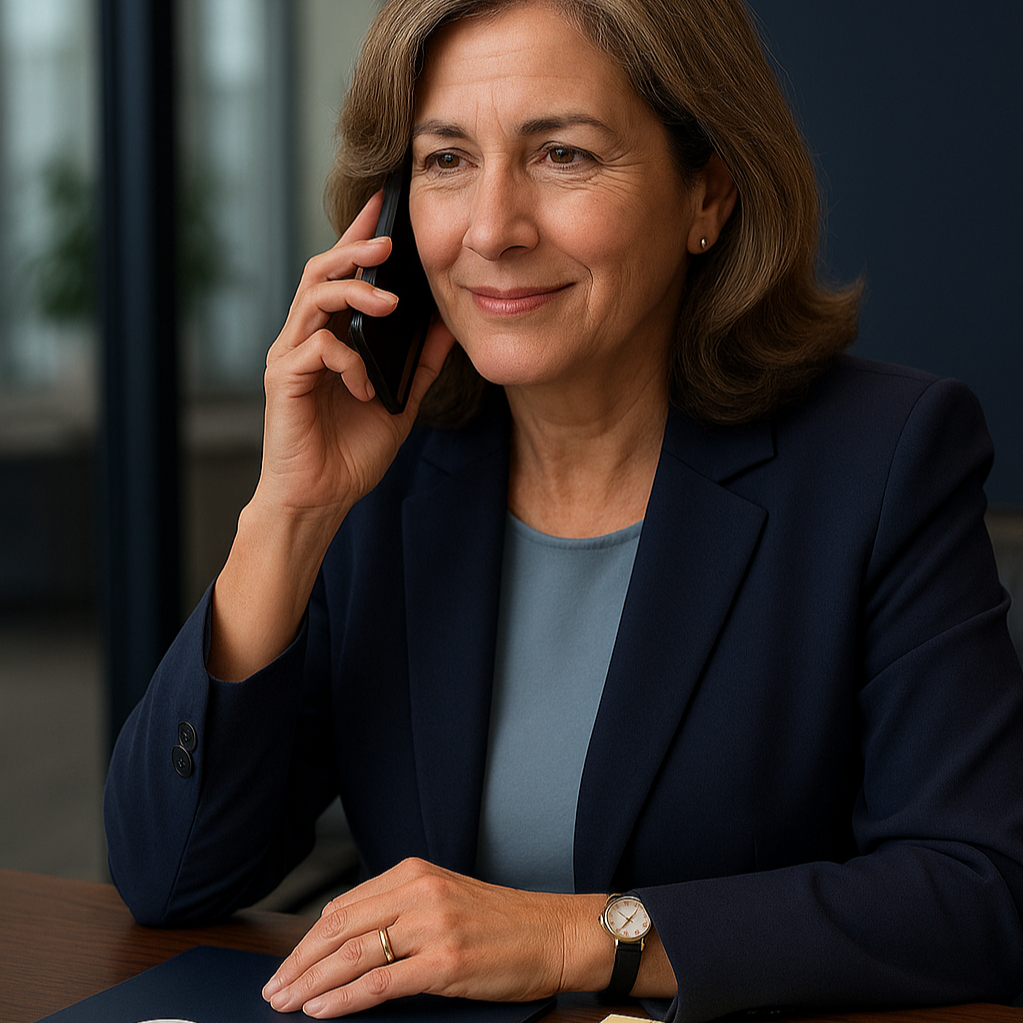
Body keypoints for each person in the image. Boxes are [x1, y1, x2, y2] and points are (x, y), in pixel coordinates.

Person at [103, 0, 1023, 1020]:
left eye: (564, 157)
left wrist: (575, 937)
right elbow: (167, 873)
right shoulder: (385, 470)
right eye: (446, 161)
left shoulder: (885, 459)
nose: (493, 228)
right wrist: (287, 515)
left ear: (707, 190)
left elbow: (981, 889)